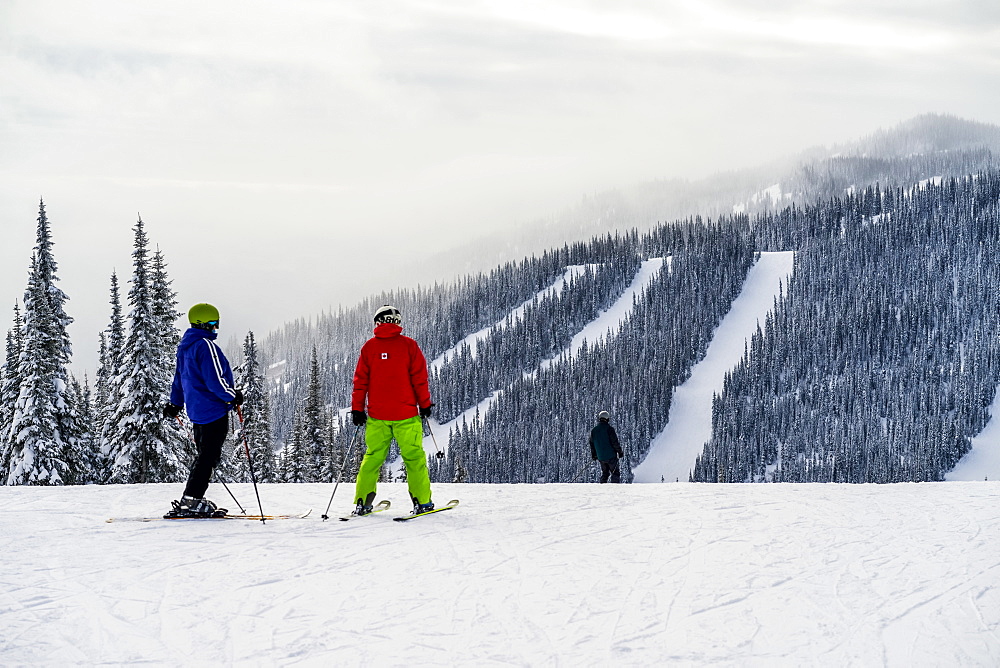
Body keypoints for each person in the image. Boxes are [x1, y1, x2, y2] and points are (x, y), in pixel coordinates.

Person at [351, 305, 435, 516]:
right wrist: (424, 404)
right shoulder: (409, 346)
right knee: (414, 459)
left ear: (378, 322)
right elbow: (420, 380)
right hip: (406, 415)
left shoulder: (369, 348)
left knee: (372, 458)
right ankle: (422, 503)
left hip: (377, 417)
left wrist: (357, 409)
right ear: (397, 321)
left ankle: (363, 503)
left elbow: (360, 382)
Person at [162, 303, 243, 518]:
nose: (216, 327)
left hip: (196, 412)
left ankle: (192, 497)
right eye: (215, 323)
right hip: (213, 410)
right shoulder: (206, 346)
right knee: (208, 457)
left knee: (204, 457)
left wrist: (175, 403)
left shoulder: (186, 347)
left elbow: (179, 379)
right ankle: (192, 500)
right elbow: (215, 379)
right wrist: (233, 395)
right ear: (206, 323)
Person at [589, 410, 624, 483]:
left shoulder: (594, 430)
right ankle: (615, 490)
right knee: (615, 473)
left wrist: (594, 455)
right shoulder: (609, 429)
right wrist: (620, 452)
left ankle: (602, 489)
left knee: (605, 473)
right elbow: (615, 442)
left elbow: (592, 444)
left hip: (601, 457)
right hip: (611, 456)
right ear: (607, 418)